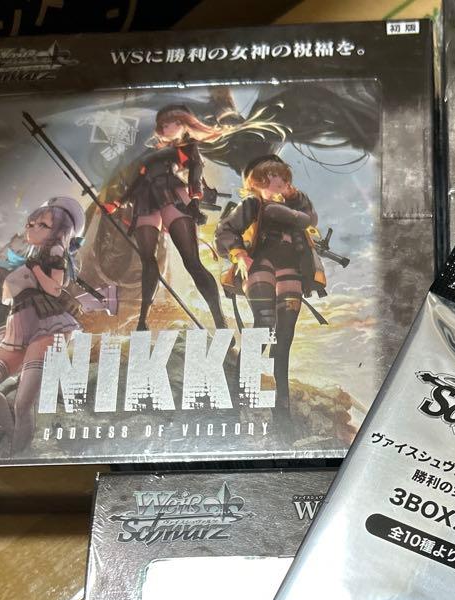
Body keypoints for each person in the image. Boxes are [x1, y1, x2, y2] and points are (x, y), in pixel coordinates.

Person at [109, 104, 238, 331]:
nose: (166, 127)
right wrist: (119, 201)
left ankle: (220, 321)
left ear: (183, 124)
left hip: (172, 194)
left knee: (192, 262)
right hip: (145, 198)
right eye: (164, 124)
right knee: (147, 259)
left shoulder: (186, 148)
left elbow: (195, 173)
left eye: (172, 122)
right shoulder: (146, 152)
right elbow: (138, 180)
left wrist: (195, 201)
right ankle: (142, 320)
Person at [216, 154, 326, 417]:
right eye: (271, 176)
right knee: (264, 324)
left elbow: (311, 219)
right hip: (260, 264)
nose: (278, 181)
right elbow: (225, 229)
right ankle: (238, 395)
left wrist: (295, 196)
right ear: (257, 181)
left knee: (285, 335)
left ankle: (282, 405)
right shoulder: (253, 204)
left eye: (282, 176)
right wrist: (239, 254)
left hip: (291, 268)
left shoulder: (295, 208)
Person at [0, 196, 84, 455]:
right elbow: (6, 297)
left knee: (23, 404)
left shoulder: (55, 252)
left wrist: (35, 270)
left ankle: (18, 452)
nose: (32, 228)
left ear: (60, 230)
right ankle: (15, 438)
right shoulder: (29, 253)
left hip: (46, 325)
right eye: (31, 224)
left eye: (42, 225)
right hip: (18, 324)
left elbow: (54, 289)